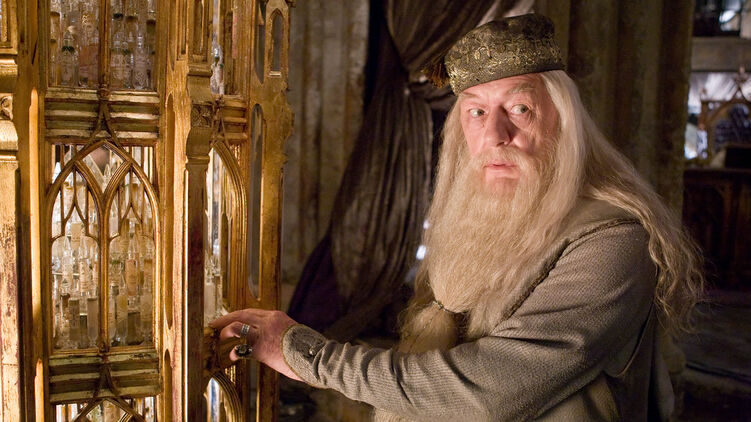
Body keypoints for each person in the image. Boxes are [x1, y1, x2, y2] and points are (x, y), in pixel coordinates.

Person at [211, 14, 703, 421]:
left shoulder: (614, 239)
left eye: (520, 108)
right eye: (476, 112)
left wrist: (306, 355)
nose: (495, 135)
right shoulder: (480, 223)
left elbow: (490, 389)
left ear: (565, 122)